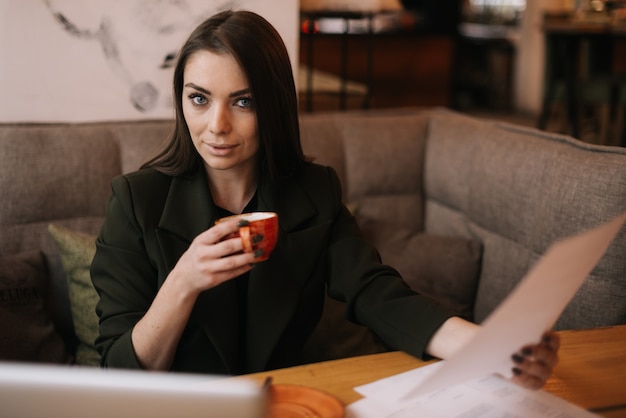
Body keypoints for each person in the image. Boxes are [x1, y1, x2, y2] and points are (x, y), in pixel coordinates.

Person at [90, 9, 559, 389]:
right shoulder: (136, 201)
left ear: (272, 106)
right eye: (199, 99)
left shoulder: (313, 192)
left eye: (243, 101)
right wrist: (184, 282)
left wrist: (490, 347)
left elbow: (376, 292)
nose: (216, 125)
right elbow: (120, 370)